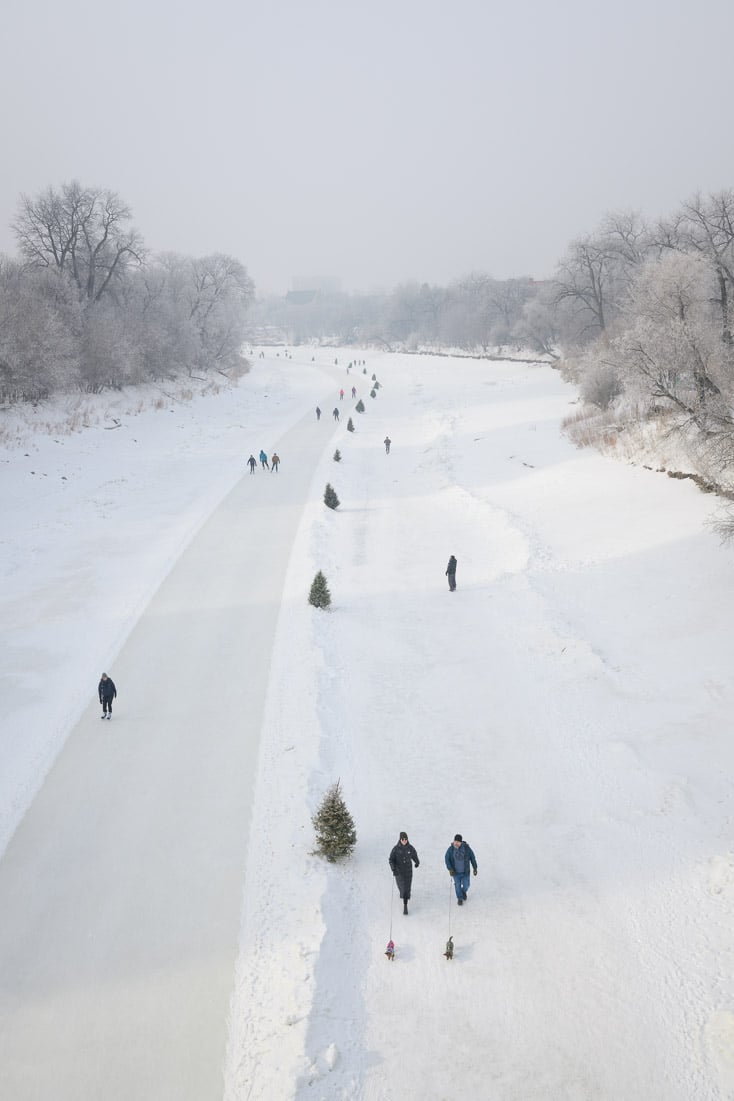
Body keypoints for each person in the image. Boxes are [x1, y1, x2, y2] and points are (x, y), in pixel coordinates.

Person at [389, 831, 420, 915]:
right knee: (401, 887)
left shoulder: (410, 848)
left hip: (408, 871)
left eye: (406, 839)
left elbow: (414, 855)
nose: (404, 841)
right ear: (400, 839)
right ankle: (403, 894)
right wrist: (394, 869)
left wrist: (417, 862)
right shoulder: (395, 849)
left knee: (406, 888)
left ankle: (405, 905)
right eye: (403, 839)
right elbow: (391, 860)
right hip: (399, 872)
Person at [445, 834, 477, 905]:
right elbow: (447, 859)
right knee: (457, 885)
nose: (456, 843)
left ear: (461, 842)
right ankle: (460, 898)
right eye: (455, 841)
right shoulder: (450, 849)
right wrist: (450, 869)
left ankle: (463, 892)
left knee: (467, 885)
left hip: (465, 872)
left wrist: (475, 868)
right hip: (456, 873)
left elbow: (472, 857)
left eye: (458, 842)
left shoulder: (466, 848)